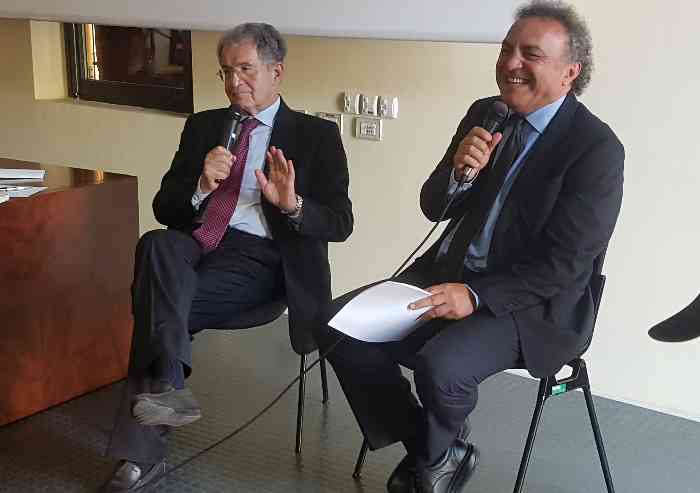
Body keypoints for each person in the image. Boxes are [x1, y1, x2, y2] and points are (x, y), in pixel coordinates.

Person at [314, 2, 624, 492]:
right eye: (506, 49)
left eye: (530, 54)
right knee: (337, 326)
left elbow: (566, 263)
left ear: (570, 72)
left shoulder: (596, 149)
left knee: (441, 367)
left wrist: (476, 296)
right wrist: (460, 174)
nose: (510, 63)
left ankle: (431, 460)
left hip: (532, 304)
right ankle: (436, 451)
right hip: (449, 274)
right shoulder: (487, 113)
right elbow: (434, 206)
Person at [100, 22, 353, 492]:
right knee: (155, 243)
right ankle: (170, 388)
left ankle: (142, 455)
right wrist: (200, 185)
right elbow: (164, 207)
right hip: (198, 241)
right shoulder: (202, 126)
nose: (234, 83)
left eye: (245, 69)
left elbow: (340, 222)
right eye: (225, 72)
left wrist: (293, 205)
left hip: (260, 257)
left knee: (157, 303)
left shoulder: (316, 135)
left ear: (276, 72)